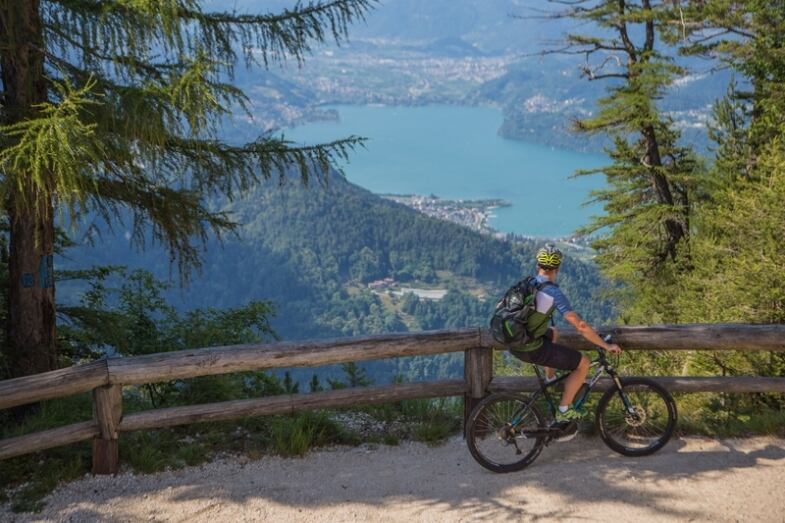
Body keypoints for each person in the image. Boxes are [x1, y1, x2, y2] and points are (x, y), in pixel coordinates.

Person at [510, 244, 622, 434]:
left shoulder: (527, 284)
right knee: (583, 363)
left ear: (538, 266)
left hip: (515, 343)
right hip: (531, 347)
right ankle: (564, 411)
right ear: (558, 269)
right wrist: (605, 345)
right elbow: (580, 326)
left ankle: (550, 378)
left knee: (553, 332)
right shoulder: (553, 292)